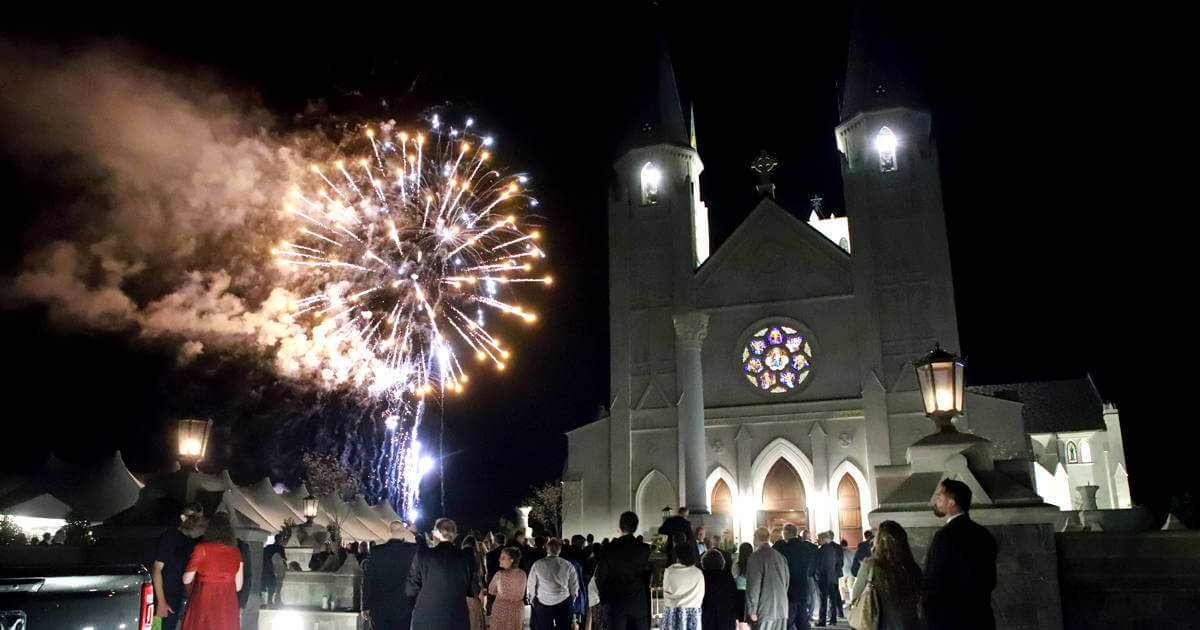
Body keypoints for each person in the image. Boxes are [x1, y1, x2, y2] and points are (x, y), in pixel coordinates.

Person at [922, 479, 998, 630]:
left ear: (951, 503)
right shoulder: (983, 534)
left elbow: (934, 580)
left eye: (939, 497)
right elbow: (990, 580)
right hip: (981, 616)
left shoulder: (944, 536)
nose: (936, 501)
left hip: (951, 619)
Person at [407, 518, 478, 630]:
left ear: (438, 533)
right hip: (457, 619)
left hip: (426, 619)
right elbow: (473, 590)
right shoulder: (467, 558)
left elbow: (411, 589)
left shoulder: (424, 556)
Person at [849, 520, 921, 630]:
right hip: (909, 624)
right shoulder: (912, 567)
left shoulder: (870, 566)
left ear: (878, 542)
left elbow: (856, 594)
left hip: (879, 624)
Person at [180, 512, 243, 630]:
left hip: (204, 601)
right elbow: (238, 586)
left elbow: (187, 579)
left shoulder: (202, 549)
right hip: (227, 604)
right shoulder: (236, 552)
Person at [595, 511, 652, 630]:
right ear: (635, 528)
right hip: (638, 602)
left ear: (619, 526)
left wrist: (604, 598)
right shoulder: (644, 549)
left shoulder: (609, 548)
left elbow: (600, 576)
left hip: (615, 602)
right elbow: (647, 575)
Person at [153, 502, 205, 630]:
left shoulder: (190, 541)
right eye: (193, 517)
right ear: (183, 517)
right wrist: (161, 602)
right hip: (165, 596)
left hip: (178, 598)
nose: (196, 521)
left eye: (198, 518)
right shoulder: (170, 537)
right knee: (159, 627)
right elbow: (157, 569)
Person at [363, 520, 419, 630]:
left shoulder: (376, 551)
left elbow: (368, 580)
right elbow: (426, 546)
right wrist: (415, 533)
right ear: (403, 532)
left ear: (389, 531)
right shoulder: (411, 550)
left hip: (379, 606)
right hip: (403, 606)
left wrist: (365, 605)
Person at [527, 537, 581, 630]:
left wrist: (532, 598)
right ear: (560, 550)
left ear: (547, 549)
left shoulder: (538, 564)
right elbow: (574, 585)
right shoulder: (568, 565)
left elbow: (531, 584)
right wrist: (572, 598)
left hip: (543, 601)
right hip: (563, 601)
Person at [773, 523, 818, 630]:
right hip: (803, 586)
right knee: (802, 619)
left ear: (785, 533)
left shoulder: (782, 547)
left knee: (789, 620)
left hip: (788, 587)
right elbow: (815, 550)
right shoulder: (806, 547)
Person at [745, 527, 790, 630]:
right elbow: (786, 582)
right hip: (782, 608)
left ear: (756, 537)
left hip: (764, 610)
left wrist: (752, 610)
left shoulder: (755, 557)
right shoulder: (780, 557)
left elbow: (754, 585)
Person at [662, 542, 705, 630]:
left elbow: (666, 590)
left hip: (672, 612)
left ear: (677, 556)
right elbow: (701, 593)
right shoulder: (698, 573)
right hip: (693, 613)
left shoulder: (670, 571)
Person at [489, 547, 528, 630]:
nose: (499, 559)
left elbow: (491, 590)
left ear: (511, 560)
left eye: (503, 557)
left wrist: (500, 593)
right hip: (517, 610)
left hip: (502, 609)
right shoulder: (523, 574)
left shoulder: (500, 574)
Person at [700, 548, 738, 630]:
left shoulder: (702, 577)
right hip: (726, 617)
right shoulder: (728, 576)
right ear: (722, 562)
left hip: (707, 617)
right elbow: (733, 597)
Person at [814, 532, 844, 627]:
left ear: (823, 539)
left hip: (823, 577)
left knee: (823, 599)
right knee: (833, 598)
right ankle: (833, 619)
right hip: (833, 576)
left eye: (819, 538)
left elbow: (818, 564)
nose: (817, 540)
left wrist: (815, 575)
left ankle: (822, 620)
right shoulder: (833, 549)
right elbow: (839, 562)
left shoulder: (821, 550)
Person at [462, 536, 488, 630]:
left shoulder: (459, 555)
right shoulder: (477, 556)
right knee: (474, 620)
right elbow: (481, 573)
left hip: (461, 593)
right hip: (473, 592)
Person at [260, 529, 288, 608]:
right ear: (280, 540)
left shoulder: (268, 547)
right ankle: (273, 601)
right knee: (274, 586)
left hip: (266, 568)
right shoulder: (280, 548)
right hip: (274, 570)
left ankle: (267, 602)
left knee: (268, 585)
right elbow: (283, 559)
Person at [732, 541, 754, 624]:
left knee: (741, 617)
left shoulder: (736, 565)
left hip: (739, 592)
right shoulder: (754, 565)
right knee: (750, 618)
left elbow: (733, 577)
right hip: (751, 592)